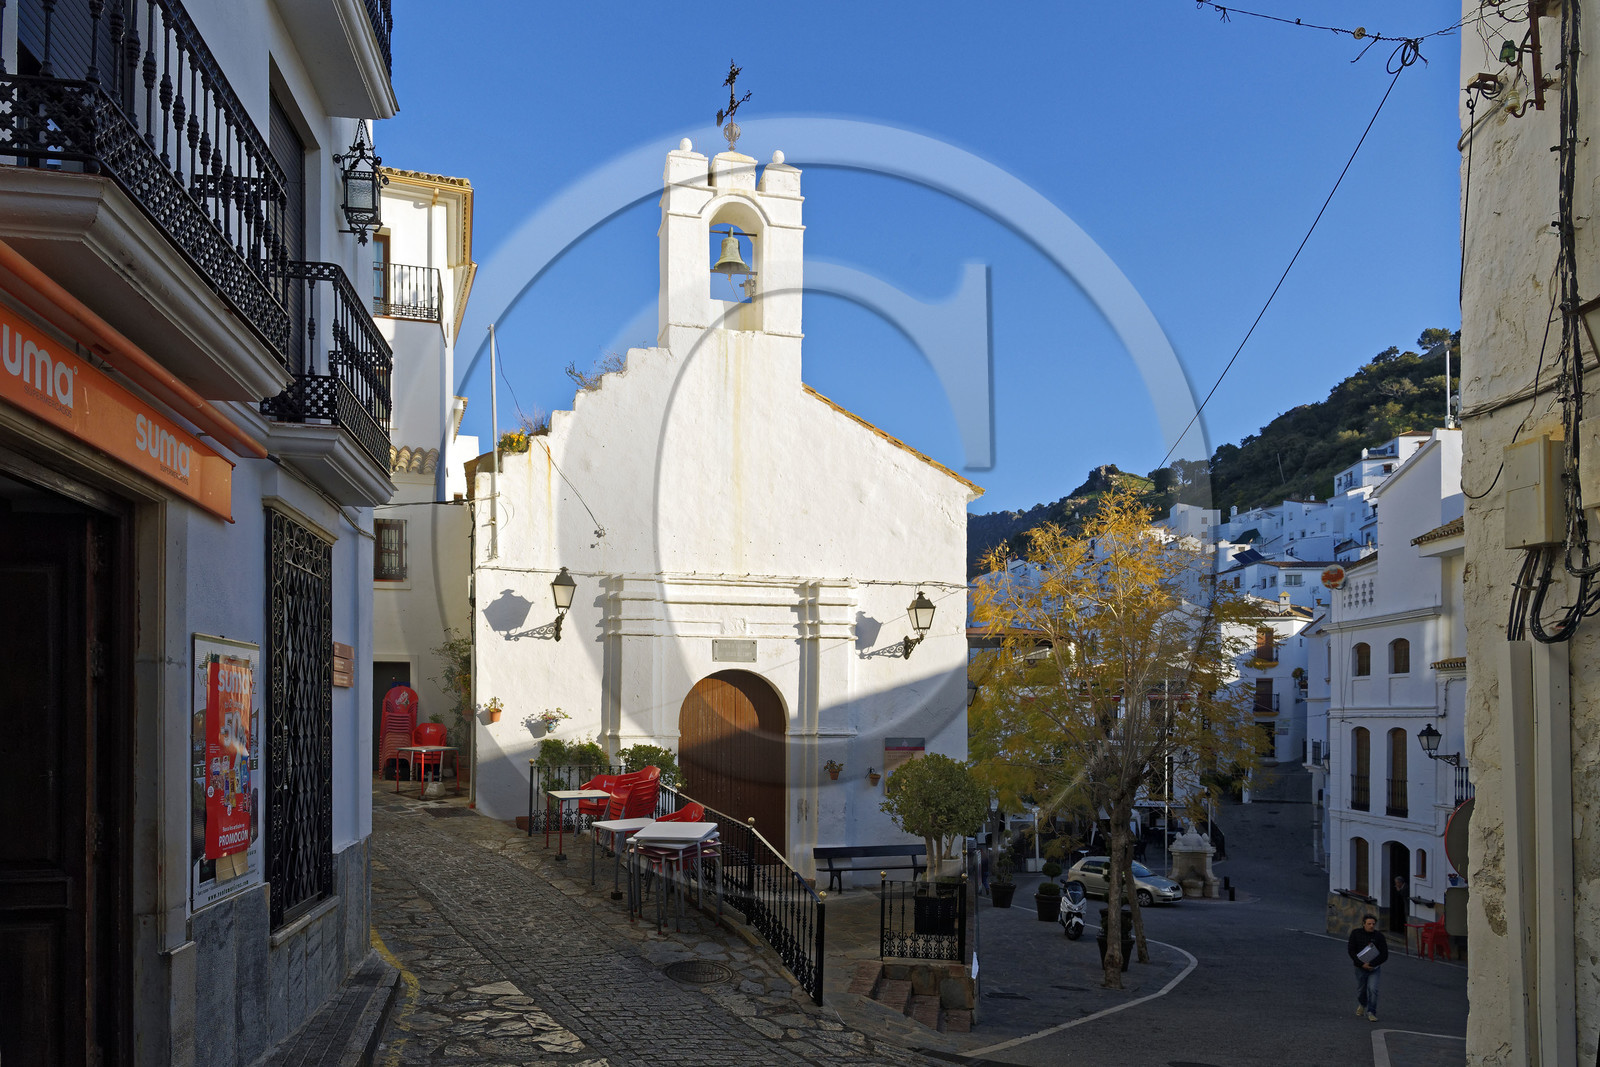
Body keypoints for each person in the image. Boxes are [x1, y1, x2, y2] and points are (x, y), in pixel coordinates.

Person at [1347, 914, 1389, 1021]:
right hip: (1360, 967)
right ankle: (1362, 1003)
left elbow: (1384, 954)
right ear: (1364, 924)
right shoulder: (1356, 934)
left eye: (1373, 924)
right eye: (1369, 924)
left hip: (1374, 968)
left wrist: (1372, 964)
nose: (1371, 926)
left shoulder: (1379, 936)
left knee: (1373, 989)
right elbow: (1351, 951)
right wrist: (1361, 964)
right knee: (1361, 989)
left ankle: (1371, 1011)